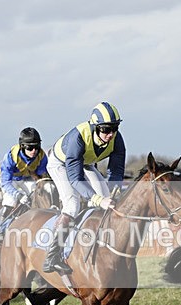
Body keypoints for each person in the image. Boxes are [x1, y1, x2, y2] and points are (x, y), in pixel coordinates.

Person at [42, 101, 126, 274]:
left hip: (86, 163)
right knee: (73, 205)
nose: (110, 134)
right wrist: (96, 199)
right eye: (105, 129)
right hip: (60, 165)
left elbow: (116, 170)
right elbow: (75, 178)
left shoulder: (117, 139)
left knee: (107, 198)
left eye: (114, 128)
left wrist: (114, 190)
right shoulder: (77, 138)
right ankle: (52, 256)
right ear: (95, 127)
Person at [0, 127, 48, 230]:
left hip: (24, 178)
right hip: (9, 179)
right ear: (22, 146)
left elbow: (41, 178)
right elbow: (6, 183)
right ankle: (0, 229)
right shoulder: (11, 157)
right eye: (29, 148)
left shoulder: (42, 156)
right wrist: (18, 195)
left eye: (36, 147)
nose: (33, 151)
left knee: (37, 194)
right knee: (10, 200)